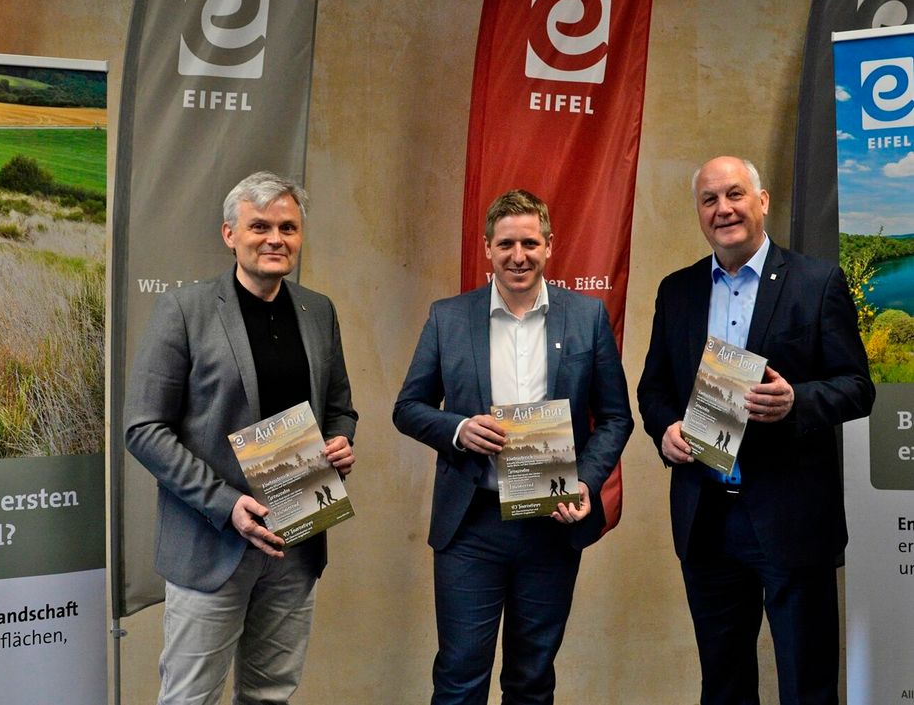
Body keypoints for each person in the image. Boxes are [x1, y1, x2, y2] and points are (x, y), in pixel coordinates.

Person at [637, 156, 875, 705]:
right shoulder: (677, 291)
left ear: (762, 201)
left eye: (735, 194)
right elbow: (654, 390)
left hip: (791, 519)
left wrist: (797, 401)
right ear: (699, 212)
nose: (723, 209)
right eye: (709, 199)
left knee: (807, 686)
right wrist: (666, 429)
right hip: (707, 519)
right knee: (723, 686)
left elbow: (857, 387)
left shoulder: (816, 282)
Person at [125, 171, 358, 705]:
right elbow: (143, 428)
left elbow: (340, 407)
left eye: (288, 227)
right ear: (230, 234)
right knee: (190, 698)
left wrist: (340, 441)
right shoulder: (185, 310)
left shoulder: (318, 311)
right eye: (260, 226)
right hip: (212, 543)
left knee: (271, 694)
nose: (276, 239)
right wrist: (225, 504)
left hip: (296, 539)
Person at [393, 189, 633, 704]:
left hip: (551, 523)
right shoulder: (448, 317)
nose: (518, 256)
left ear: (550, 245)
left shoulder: (587, 317)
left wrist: (586, 482)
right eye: (505, 244)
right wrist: (458, 429)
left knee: (532, 678)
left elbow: (616, 417)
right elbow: (408, 407)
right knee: (460, 676)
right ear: (487, 248)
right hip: (471, 525)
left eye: (529, 243)